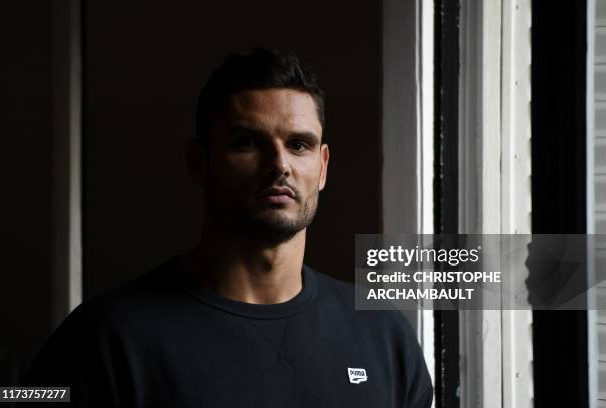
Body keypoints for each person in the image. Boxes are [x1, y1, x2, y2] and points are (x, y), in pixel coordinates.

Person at [24, 48, 433, 407]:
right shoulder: (105, 338)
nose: (279, 166)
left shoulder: (383, 335)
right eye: (247, 143)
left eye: (299, 144)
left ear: (322, 167)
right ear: (198, 162)